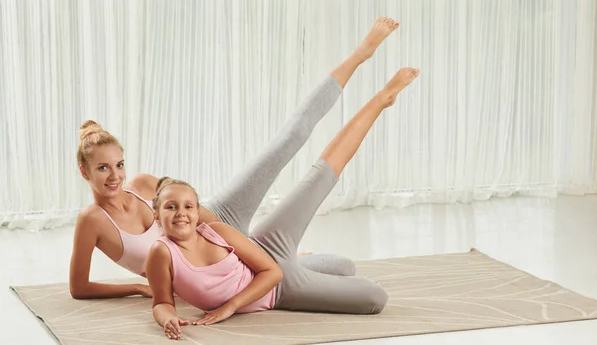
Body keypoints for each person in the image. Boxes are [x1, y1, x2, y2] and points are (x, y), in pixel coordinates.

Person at [69, 17, 402, 299]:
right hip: (222, 263)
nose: (115, 176)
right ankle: (286, 257)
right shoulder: (92, 222)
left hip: (222, 216)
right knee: (343, 266)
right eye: (102, 169)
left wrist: (240, 241)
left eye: (119, 165)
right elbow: (78, 287)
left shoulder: (141, 184)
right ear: (85, 172)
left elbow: (189, 205)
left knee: (289, 138)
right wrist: (137, 289)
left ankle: (361, 54)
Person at [147, 66, 420, 339]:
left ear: (197, 214)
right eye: (171, 207)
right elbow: (162, 303)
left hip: (271, 261)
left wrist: (230, 307)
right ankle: (315, 268)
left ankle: (382, 99)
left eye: (188, 207)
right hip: (280, 292)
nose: (181, 214)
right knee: (372, 294)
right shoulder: (161, 253)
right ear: (157, 216)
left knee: (317, 178)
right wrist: (167, 320)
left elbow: (272, 271)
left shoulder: (216, 231)